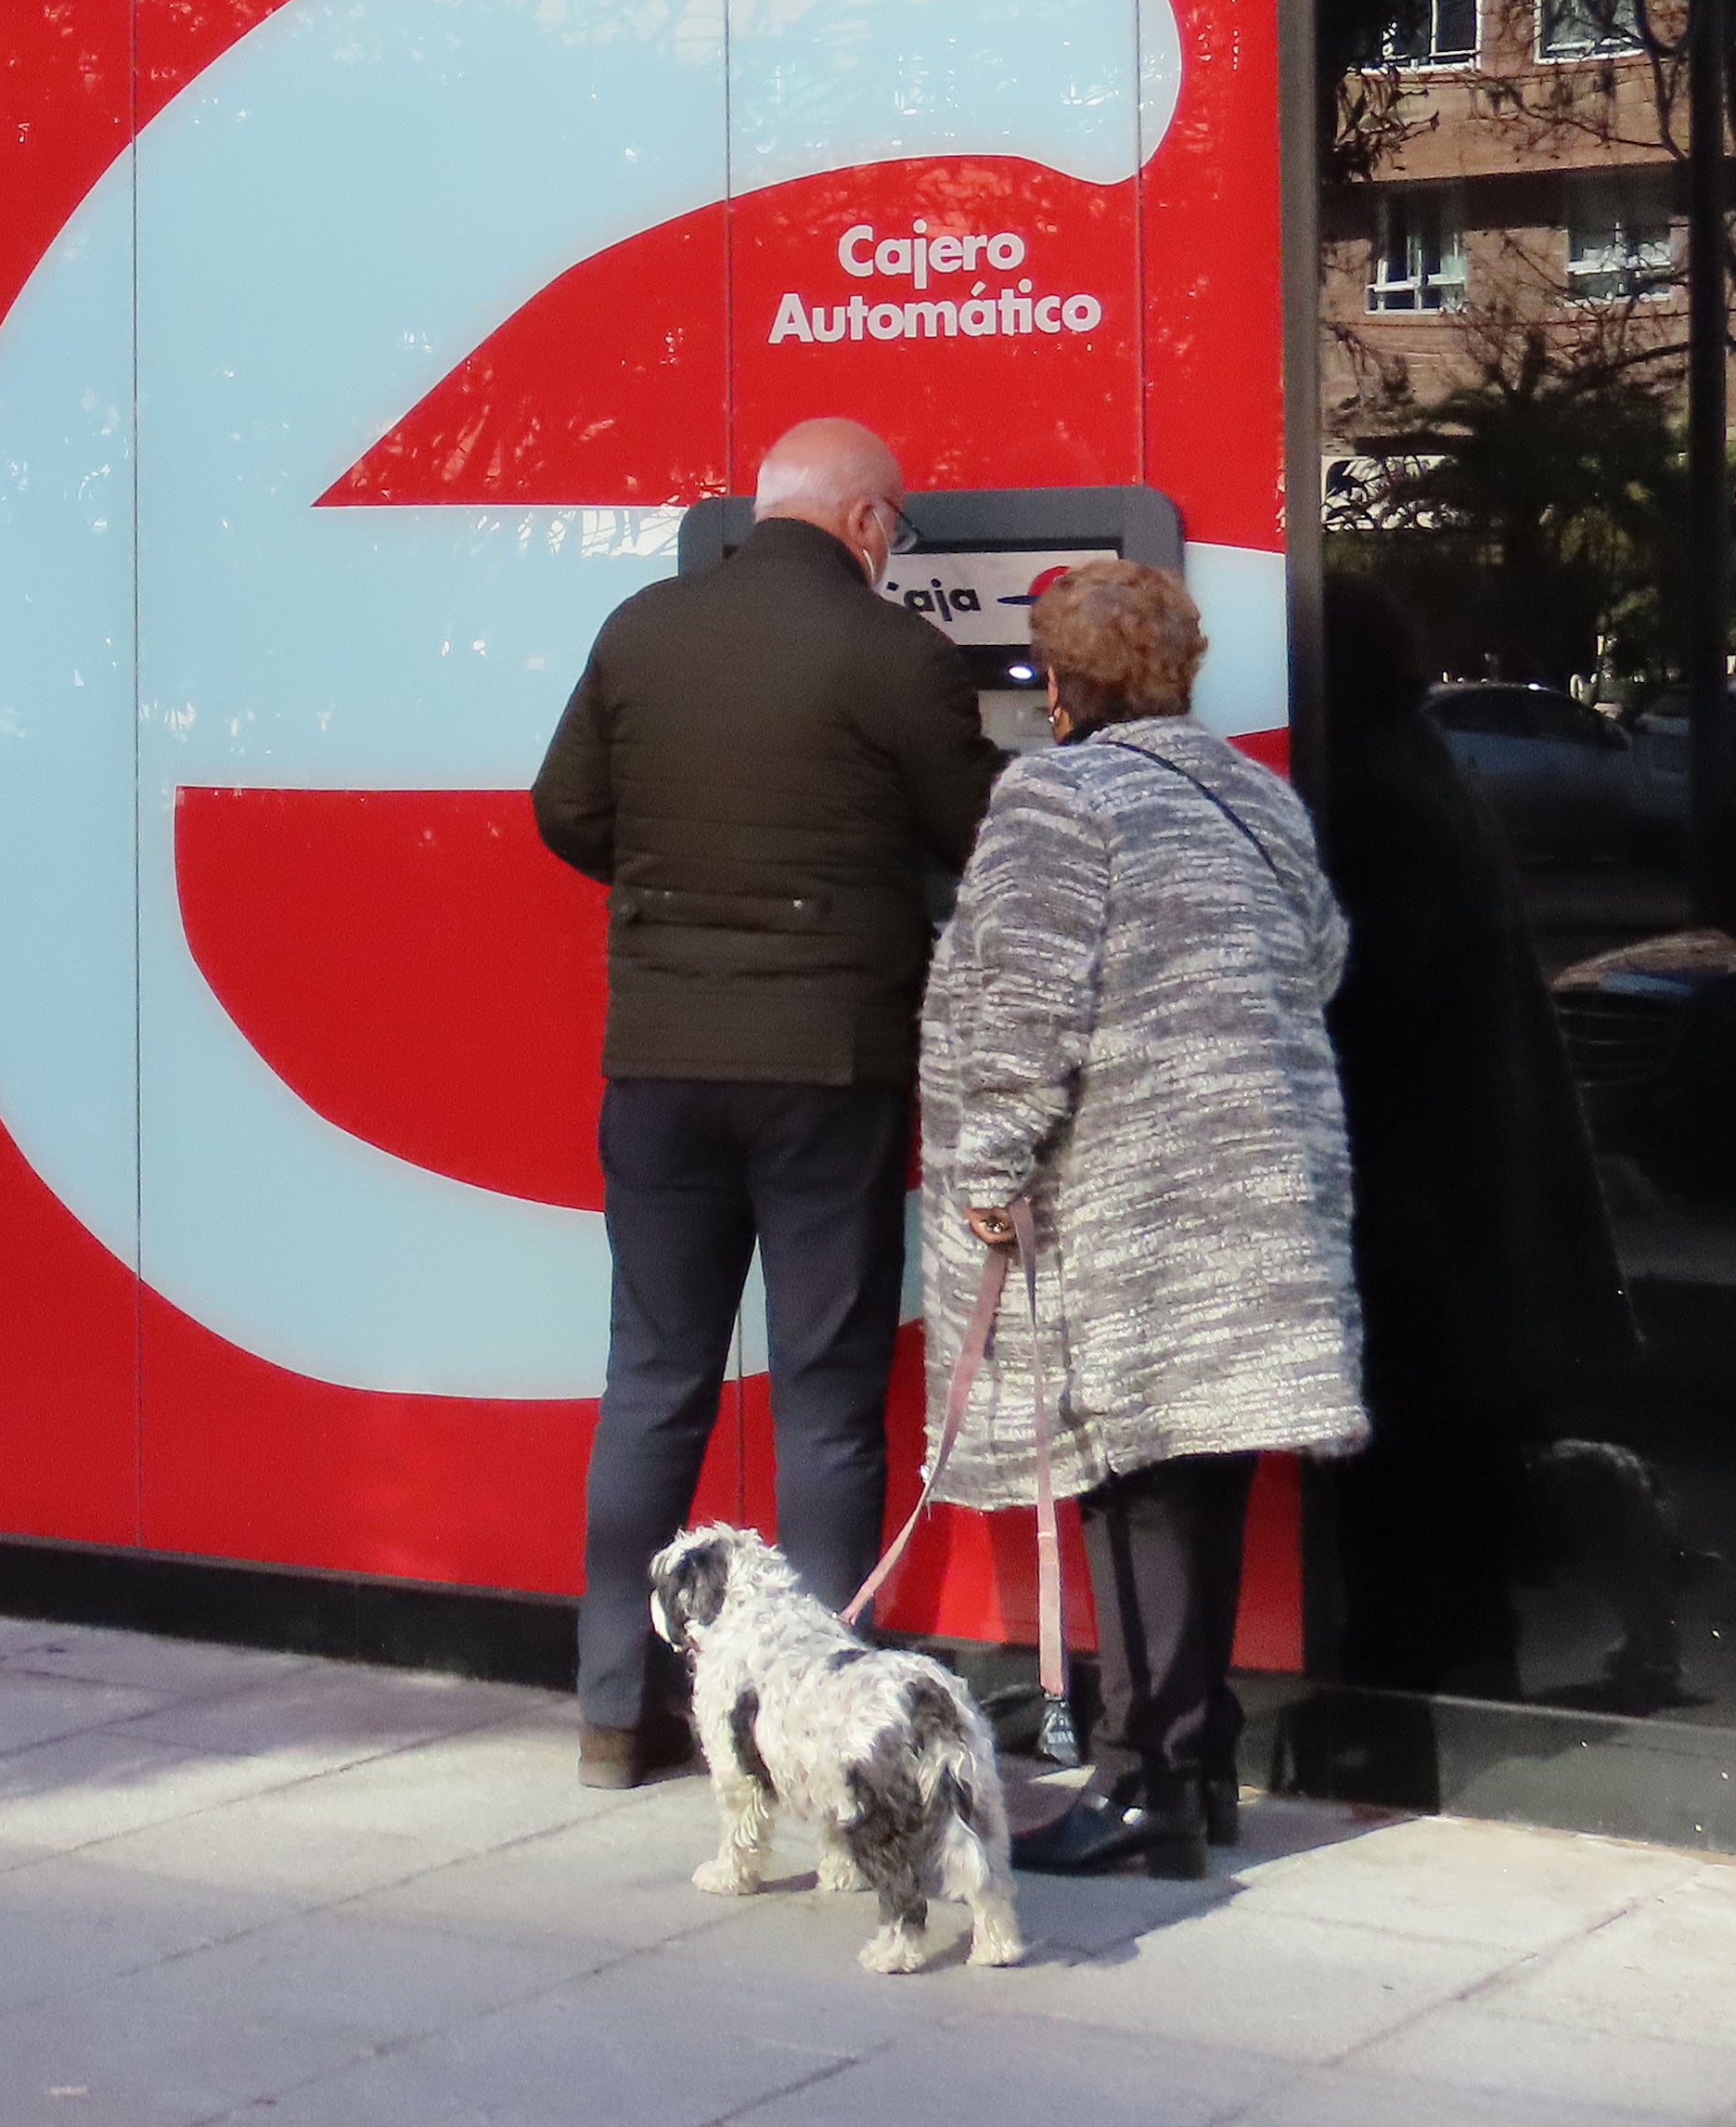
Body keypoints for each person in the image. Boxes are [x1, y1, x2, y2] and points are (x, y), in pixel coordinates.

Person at [530, 416, 997, 1788]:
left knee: (656, 1379)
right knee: (828, 1398)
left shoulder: (645, 625)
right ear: (864, 519)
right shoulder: (891, 651)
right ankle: (827, 1732)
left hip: (663, 1059)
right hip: (824, 1068)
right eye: (895, 528)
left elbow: (566, 811)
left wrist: (677, 881)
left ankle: (615, 1709)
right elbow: (979, 827)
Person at [919, 555, 1363, 1879]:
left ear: (1055, 681)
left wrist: (989, 1170)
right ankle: (1195, 1764)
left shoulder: (1056, 792)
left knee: (1127, 1478)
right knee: (1196, 1477)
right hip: (1253, 1179)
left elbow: (1024, 1004)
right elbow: (1324, 952)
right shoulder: (1256, 792)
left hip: (1127, 1187)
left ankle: (1147, 1778)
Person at [1307, 576, 1635, 1708]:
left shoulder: (1376, 795)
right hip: (1454, 1168)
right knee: (1440, 1446)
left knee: (1411, 1448)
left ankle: (1415, 1673)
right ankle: (1451, 1650)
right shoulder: (1415, 766)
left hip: (1414, 1177)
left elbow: (1374, 980)